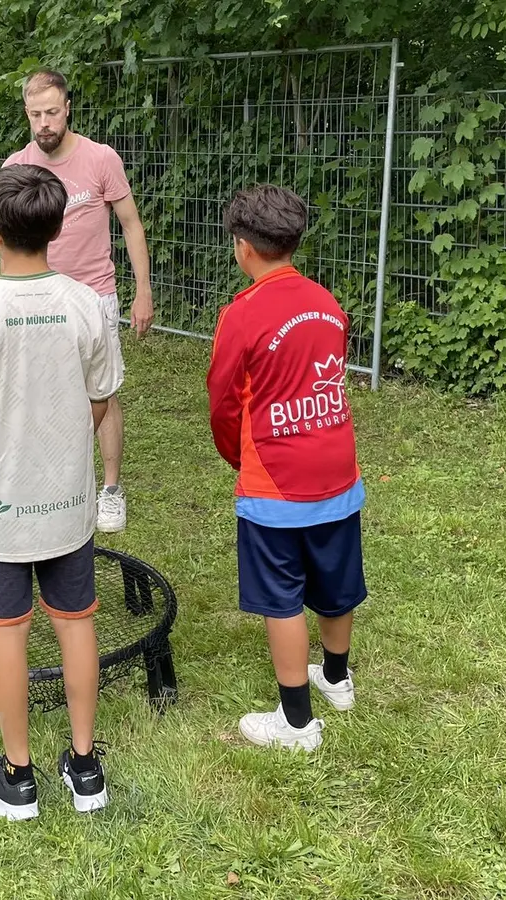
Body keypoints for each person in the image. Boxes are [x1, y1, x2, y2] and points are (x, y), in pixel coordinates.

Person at [0, 164, 124, 820]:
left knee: (6, 634)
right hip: (68, 504)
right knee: (76, 624)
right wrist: (60, 455)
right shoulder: (86, 305)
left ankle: (18, 777)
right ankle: (85, 767)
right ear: (60, 225)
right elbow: (102, 400)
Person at [205, 184, 367, 752]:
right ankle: (338, 677)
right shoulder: (327, 303)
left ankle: (296, 722)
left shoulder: (241, 315)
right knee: (336, 580)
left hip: (274, 483)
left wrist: (238, 457)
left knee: (283, 597)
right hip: (338, 472)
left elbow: (223, 402)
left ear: (243, 248)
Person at [3, 67, 153, 534]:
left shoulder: (101, 159)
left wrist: (142, 290)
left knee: (101, 392)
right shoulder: (17, 168)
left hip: (94, 298)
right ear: (26, 115)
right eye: (35, 114)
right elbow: (7, 241)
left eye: (51, 112)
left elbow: (130, 224)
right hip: (35, 299)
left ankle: (109, 489)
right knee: (39, 391)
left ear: (67, 108)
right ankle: (50, 479)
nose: (44, 122)